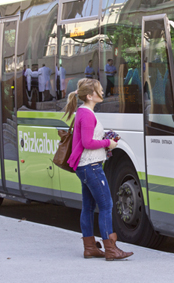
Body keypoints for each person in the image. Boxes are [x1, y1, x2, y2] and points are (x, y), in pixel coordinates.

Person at [63, 78, 133, 261]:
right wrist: (107, 143)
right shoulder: (86, 114)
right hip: (91, 166)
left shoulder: (83, 112)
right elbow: (87, 142)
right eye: (98, 90)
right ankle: (111, 249)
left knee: (88, 207)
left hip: (85, 166)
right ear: (89, 95)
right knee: (106, 205)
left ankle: (90, 248)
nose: (102, 91)